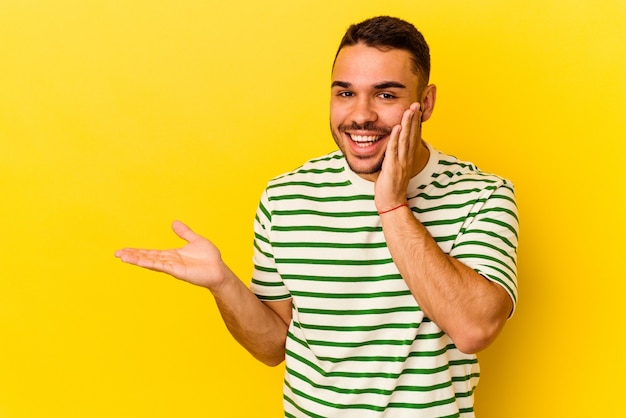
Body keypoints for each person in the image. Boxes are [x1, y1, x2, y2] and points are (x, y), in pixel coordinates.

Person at [115, 15, 518, 417]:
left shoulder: (481, 195)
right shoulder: (286, 196)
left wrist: (392, 205)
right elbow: (273, 347)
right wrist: (223, 284)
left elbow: (473, 328)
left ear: (425, 103)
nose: (360, 115)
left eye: (385, 95)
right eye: (345, 93)